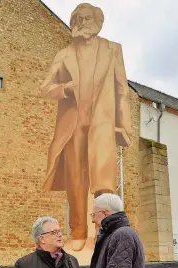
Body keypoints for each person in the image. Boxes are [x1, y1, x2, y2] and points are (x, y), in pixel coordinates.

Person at [40, 3, 131, 251]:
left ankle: (105, 232)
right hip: (74, 125)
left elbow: (122, 90)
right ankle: (79, 232)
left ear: (98, 22)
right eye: (76, 18)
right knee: (76, 181)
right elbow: (45, 87)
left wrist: (123, 126)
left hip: (102, 124)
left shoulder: (113, 49)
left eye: (87, 18)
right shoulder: (64, 54)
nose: (81, 22)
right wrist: (65, 88)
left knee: (104, 183)